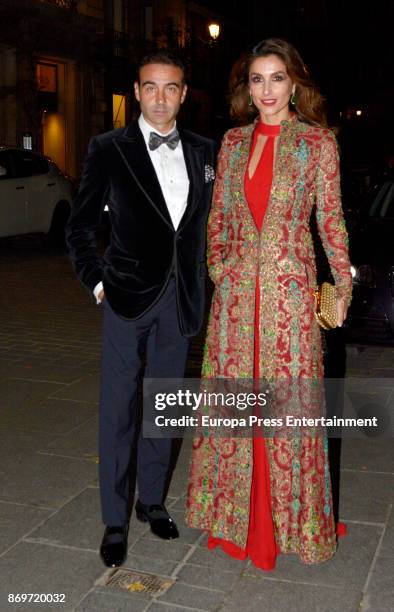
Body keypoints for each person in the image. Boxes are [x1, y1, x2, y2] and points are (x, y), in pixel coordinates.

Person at [185, 38, 352, 570]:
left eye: (276, 78)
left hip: (290, 300)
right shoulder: (232, 143)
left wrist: (340, 289)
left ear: (295, 83)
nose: (266, 90)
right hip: (236, 302)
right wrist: (222, 270)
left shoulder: (317, 144)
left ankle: (290, 524)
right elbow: (218, 222)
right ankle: (236, 520)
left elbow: (330, 222)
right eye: (257, 79)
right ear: (247, 88)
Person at [66, 50, 216, 568]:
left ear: (183, 94)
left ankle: (151, 501)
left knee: (166, 404)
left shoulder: (203, 150)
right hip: (126, 299)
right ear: (135, 91)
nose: (160, 97)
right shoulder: (108, 148)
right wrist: (98, 283)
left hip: (180, 301)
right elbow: (80, 226)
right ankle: (114, 519)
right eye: (150, 87)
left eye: (170, 87)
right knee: (119, 410)